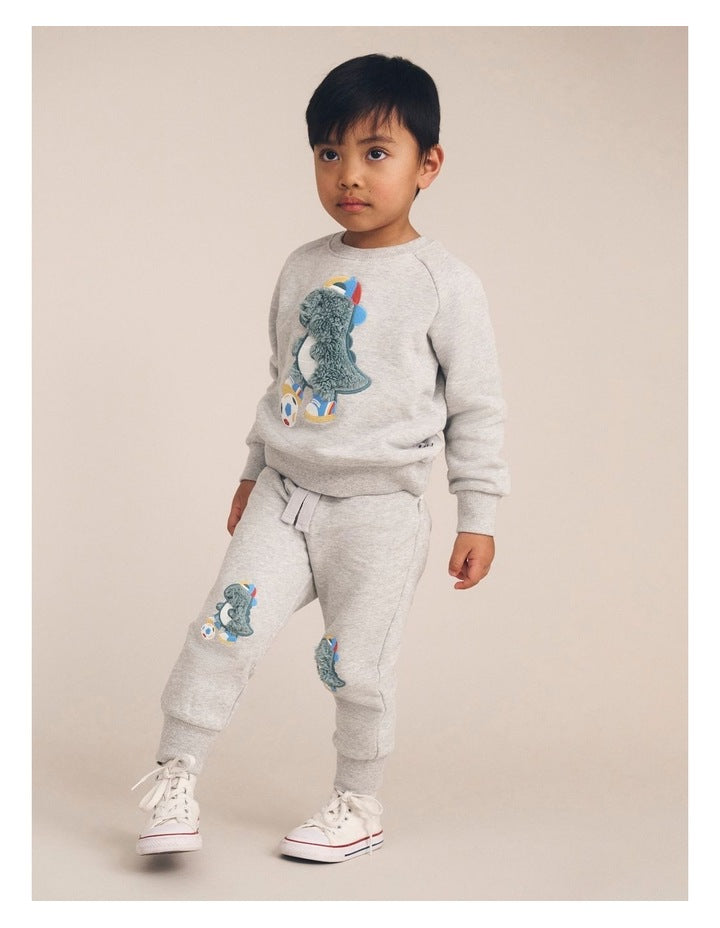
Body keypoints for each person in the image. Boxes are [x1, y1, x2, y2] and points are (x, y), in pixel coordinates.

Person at [131, 52, 511, 864]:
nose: (349, 175)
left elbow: (476, 406)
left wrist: (478, 515)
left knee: (353, 667)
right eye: (329, 153)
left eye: (376, 152)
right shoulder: (304, 265)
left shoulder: (444, 283)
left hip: (379, 513)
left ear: (427, 165)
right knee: (221, 632)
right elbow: (282, 380)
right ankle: (175, 773)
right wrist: (250, 473)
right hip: (284, 494)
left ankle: (357, 802)